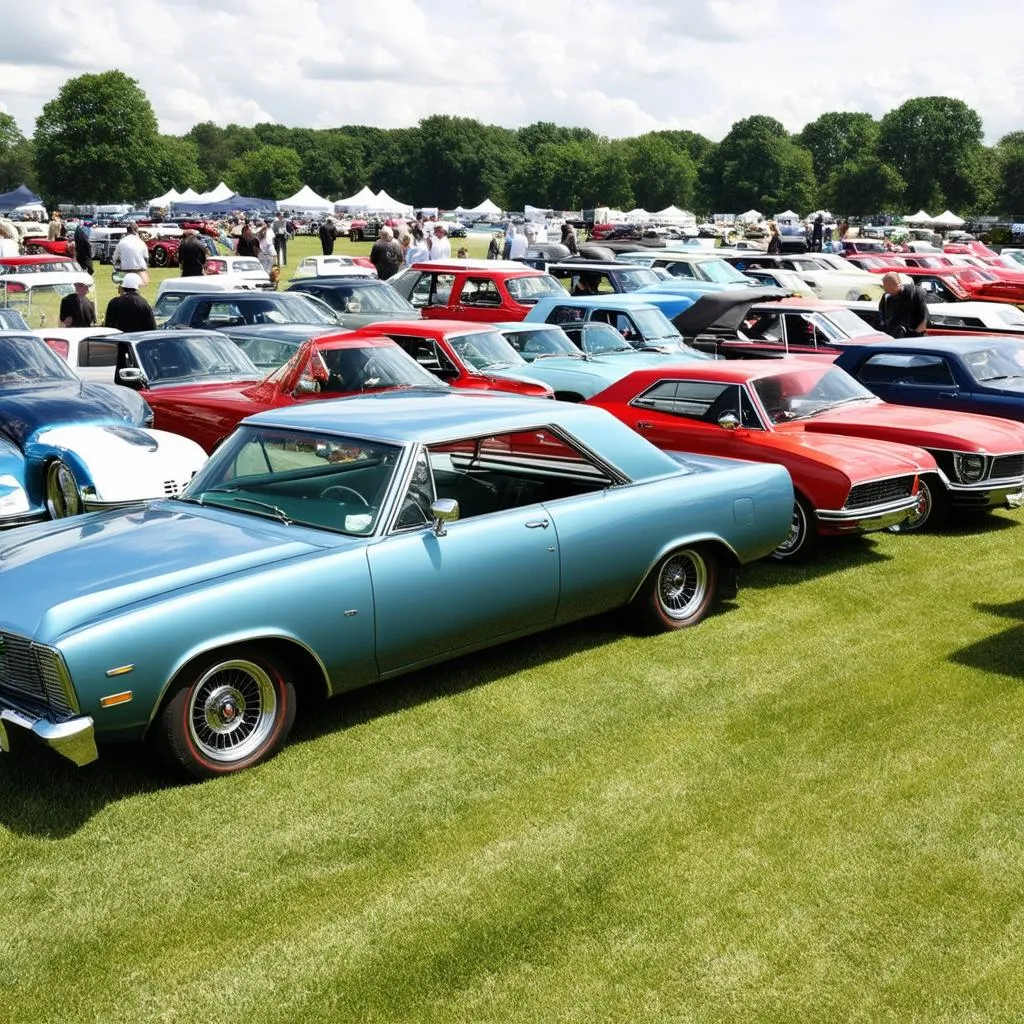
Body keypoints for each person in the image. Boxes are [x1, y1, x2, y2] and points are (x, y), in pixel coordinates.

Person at [878, 271, 928, 338]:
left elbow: (923, 321)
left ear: (898, 285)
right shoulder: (887, 298)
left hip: (914, 336)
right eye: (886, 290)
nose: (888, 292)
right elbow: (883, 317)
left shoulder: (915, 294)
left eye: (890, 289)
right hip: (894, 337)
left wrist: (914, 335)